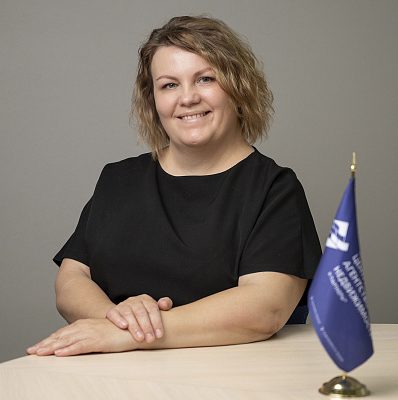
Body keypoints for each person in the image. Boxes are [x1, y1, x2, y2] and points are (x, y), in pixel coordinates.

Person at [27, 15, 321, 357]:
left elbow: (265, 309)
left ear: (238, 86)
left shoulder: (275, 189)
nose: (187, 98)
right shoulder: (118, 179)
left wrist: (132, 335)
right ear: (152, 99)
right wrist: (116, 320)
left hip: (228, 376)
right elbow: (71, 278)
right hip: (112, 376)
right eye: (169, 85)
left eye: (205, 79)